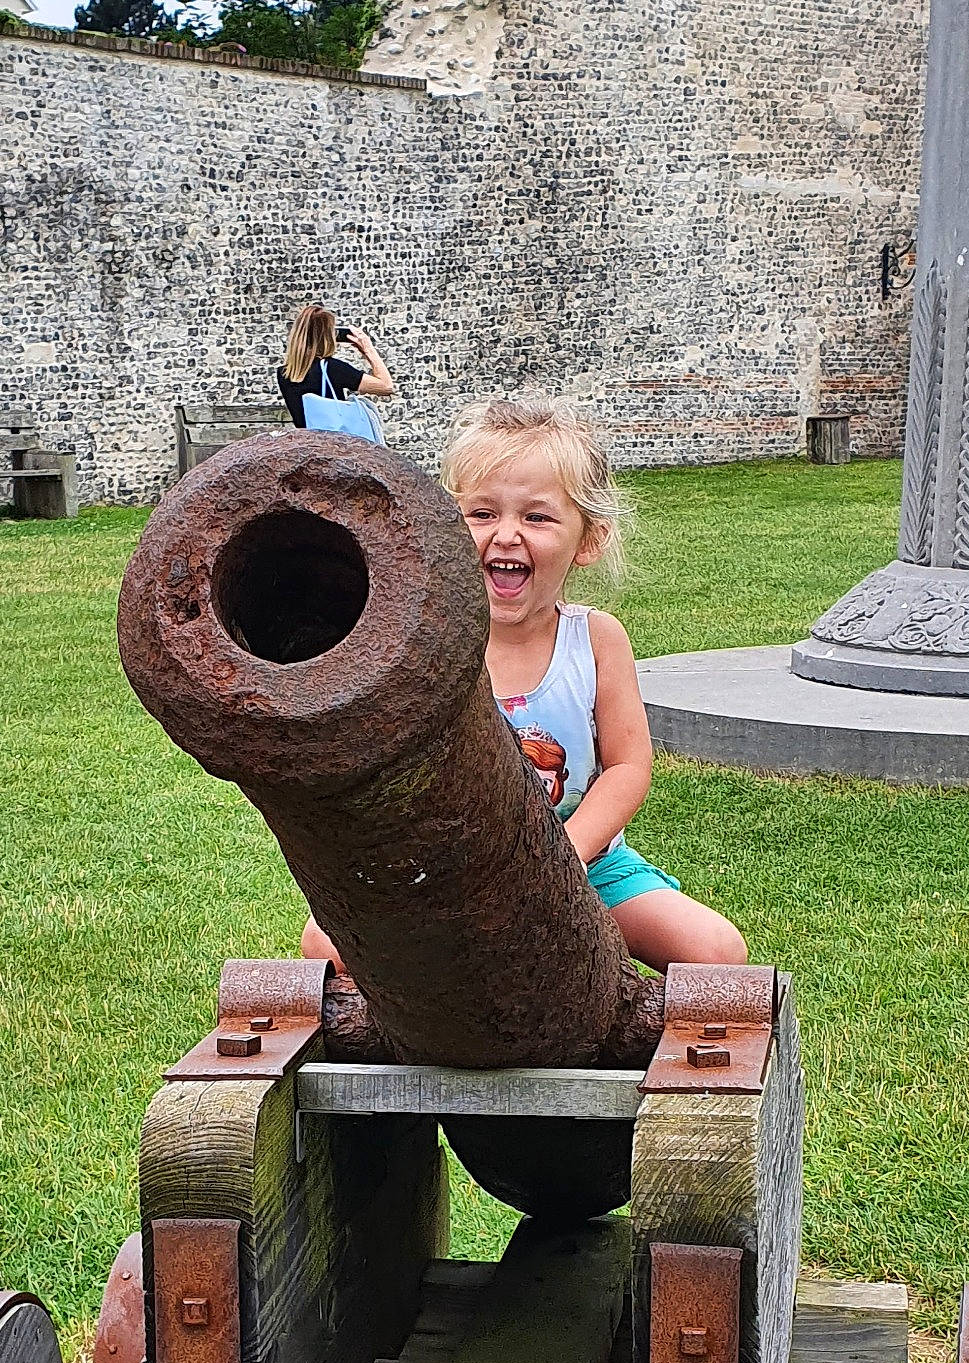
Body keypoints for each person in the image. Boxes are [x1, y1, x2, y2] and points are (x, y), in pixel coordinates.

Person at [301, 395, 748, 973]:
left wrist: (562, 855)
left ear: (589, 540)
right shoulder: (426, 643)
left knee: (715, 951)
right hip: (446, 869)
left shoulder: (597, 641)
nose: (507, 535)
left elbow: (628, 767)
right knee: (323, 942)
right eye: (482, 513)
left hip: (586, 863)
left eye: (537, 517)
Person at [277, 303, 394, 428]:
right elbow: (386, 387)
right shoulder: (332, 369)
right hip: (335, 444)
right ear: (328, 337)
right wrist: (368, 349)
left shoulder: (283, 373)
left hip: (308, 444)